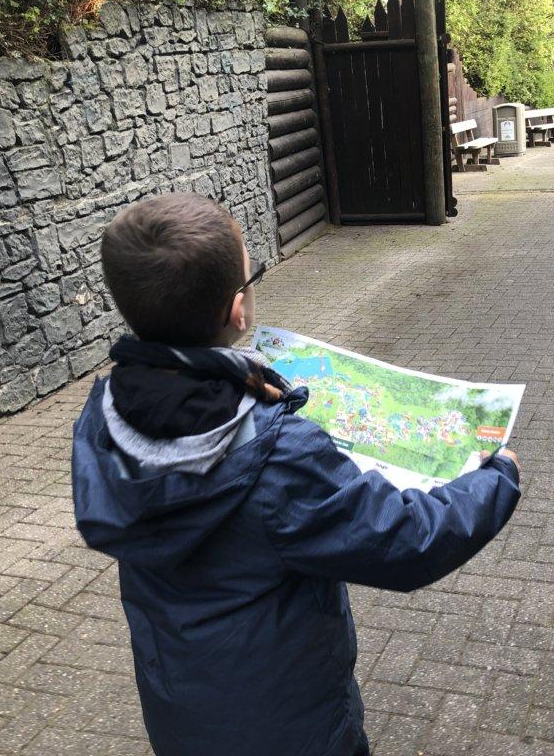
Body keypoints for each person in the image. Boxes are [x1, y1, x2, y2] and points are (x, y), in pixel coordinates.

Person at [70, 193, 522, 756]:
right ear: (238, 311)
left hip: (182, 712)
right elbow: (405, 541)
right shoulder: (280, 455)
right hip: (290, 725)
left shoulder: (104, 413)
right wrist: (496, 478)